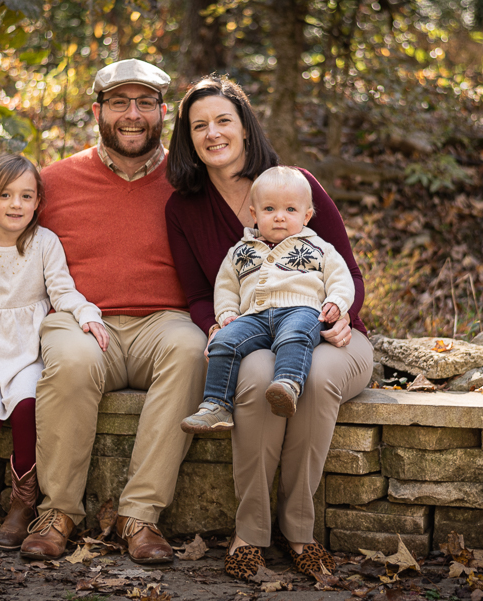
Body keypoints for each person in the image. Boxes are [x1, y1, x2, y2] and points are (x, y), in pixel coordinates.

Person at [0, 60, 207, 564]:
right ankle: (57, 511)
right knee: (68, 357)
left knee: (192, 350)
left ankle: (140, 515)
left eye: (145, 103)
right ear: (97, 111)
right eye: (119, 103)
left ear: (162, 112)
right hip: (81, 317)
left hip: (164, 321)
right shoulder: (52, 182)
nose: (133, 115)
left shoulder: (189, 181)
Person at [165, 75, 372, 580]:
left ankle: (300, 529)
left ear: (244, 126)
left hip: (331, 332)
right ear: (187, 138)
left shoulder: (294, 184)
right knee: (256, 380)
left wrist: (340, 315)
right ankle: (250, 530)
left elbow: (347, 271)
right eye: (199, 126)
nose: (212, 133)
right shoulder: (184, 208)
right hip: (252, 329)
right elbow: (197, 293)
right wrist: (217, 324)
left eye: (223, 121)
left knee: (318, 377)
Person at [0, 153, 109, 550]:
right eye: (5, 195)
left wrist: (86, 314)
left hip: (27, 353)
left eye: (26, 196)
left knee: (29, 408)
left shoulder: (46, 244)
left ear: (37, 202)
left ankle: (22, 503)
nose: (16, 204)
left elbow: (62, 290)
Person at [180, 166, 355, 433]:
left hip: (302, 310)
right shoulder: (240, 251)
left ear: (307, 216)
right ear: (254, 214)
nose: (279, 218)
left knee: (295, 334)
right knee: (224, 342)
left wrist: (337, 303)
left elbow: (342, 278)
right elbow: (226, 285)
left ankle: (286, 385)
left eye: (291, 210)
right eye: (270, 209)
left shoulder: (318, 248)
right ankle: (216, 405)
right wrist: (226, 314)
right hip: (253, 317)